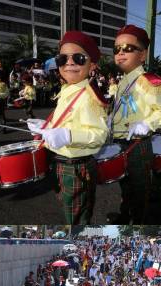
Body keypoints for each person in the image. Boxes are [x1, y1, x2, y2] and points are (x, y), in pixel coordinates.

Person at [27, 31, 108, 224]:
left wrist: (69, 135)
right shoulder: (68, 89)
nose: (69, 63)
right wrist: (46, 126)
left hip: (76, 166)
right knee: (68, 209)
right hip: (60, 162)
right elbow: (66, 119)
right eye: (63, 59)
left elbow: (100, 135)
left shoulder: (88, 96)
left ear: (92, 65)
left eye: (79, 58)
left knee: (77, 218)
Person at [109, 24, 161, 224]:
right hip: (120, 140)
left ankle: (139, 221)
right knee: (125, 184)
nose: (120, 53)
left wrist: (147, 124)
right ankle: (125, 212)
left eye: (128, 48)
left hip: (138, 143)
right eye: (116, 49)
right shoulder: (122, 81)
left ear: (142, 55)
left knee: (139, 187)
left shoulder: (147, 80)